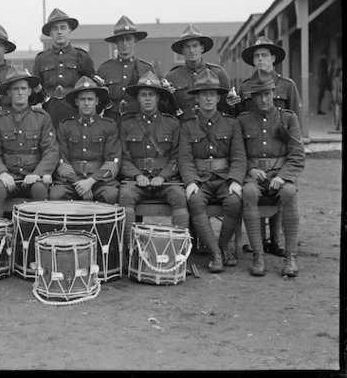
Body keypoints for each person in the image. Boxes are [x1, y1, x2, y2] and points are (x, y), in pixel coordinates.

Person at [226, 36, 302, 256]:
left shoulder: (287, 85)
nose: (260, 60)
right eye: (256, 56)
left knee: (283, 190)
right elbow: (241, 121)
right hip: (255, 148)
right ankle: (257, 239)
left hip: (281, 149)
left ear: (274, 57)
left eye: (264, 55)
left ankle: (276, 239)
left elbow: (294, 117)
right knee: (254, 191)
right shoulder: (246, 86)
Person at [237, 69, 305, 277]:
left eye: (267, 94)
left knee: (288, 193)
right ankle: (258, 256)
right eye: (258, 95)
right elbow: (238, 154)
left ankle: (290, 257)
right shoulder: (243, 120)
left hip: (280, 176)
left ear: (274, 93)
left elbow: (297, 155)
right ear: (253, 97)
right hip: (254, 177)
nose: (263, 99)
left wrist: (282, 176)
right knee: (248, 193)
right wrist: (251, 168)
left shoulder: (288, 118)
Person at [178, 69, 246, 273]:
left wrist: (235, 180)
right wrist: (190, 181)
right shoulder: (188, 125)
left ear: (218, 97)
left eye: (212, 94)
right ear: (196, 98)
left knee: (234, 201)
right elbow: (185, 158)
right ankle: (216, 254)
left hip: (225, 178)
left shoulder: (231, 123)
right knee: (195, 201)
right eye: (203, 94)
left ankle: (224, 245)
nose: (208, 98)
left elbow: (239, 156)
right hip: (201, 179)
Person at [118, 72, 190, 251]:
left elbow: (176, 157)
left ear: (158, 97)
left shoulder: (172, 124)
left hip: (164, 181)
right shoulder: (127, 124)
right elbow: (124, 158)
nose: (147, 99)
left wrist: (164, 176)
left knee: (179, 196)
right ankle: (131, 250)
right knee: (125, 196)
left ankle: (179, 252)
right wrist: (137, 175)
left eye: (151, 95)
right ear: (138, 98)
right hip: (137, 181)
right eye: (143, 95)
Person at [0, 66, 59, 217]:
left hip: (33, 175)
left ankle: (34, 236)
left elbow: (51, 151)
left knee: (39, 189)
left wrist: (38, 173)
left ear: (30, 91)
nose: (20, 92)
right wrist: (2, 173)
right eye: (15, 89)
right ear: (8, 92)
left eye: (23, 88)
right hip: (8, 176)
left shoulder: (42, 118)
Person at [49, 76, 120, 204]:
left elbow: (113, 160)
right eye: (82, 99)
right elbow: (61, 160)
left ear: (97, 101)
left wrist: (90, 181)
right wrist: (78, 183)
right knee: (56, 195)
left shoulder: (109, 126)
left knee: (111, 195)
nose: (86, 103)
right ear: (76, 102)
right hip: (71, 180)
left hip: (99, 182)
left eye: (90, 99)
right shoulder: (65, 126)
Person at [32, 8, 95, 128]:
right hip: (49, 117)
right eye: (55, 29)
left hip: (76, 117)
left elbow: (93, 90)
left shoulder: (82, 56)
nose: (59, 32)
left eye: (63, 28)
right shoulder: (41, 59)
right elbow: (35, 94)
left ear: (70, 30)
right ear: (50, 33)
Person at [163, 24, 232, 121]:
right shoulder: (171, 77)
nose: (191, 50)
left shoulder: (218, 73)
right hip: (183, 131)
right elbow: (166, 111)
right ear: (182, 50)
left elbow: (227, 108)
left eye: (195, 46)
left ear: (202, 48)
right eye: (187, 47)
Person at [97, 15, 154, 126]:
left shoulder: (146, 69)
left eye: (128, 39)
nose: (124, 43)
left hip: (138, 123)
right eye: (120, 39)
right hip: (111, 123)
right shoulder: (105, 69)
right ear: (115, 42)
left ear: (135, 41)